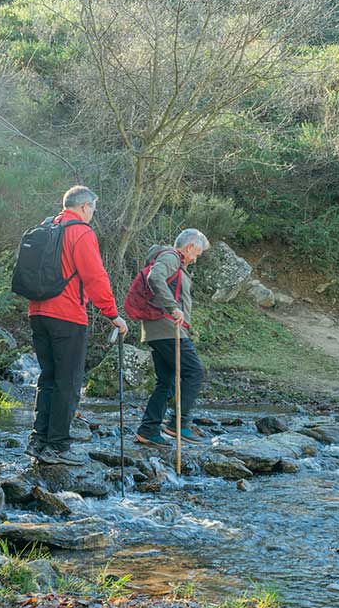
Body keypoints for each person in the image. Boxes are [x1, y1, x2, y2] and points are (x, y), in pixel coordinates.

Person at [27, 186, 128, 465]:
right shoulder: (81, 232)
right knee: (68, 382)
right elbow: (95, 277)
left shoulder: (47, 228)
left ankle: (38, 441)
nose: (93, 214)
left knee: (48, 377)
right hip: (67, 316)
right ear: (84, 207)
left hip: (37, 312)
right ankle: (56, 447)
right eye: (93, 209)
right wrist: (112, 314)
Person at [135, 229, 210, 448]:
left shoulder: (176, 263)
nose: (196, 258)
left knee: (166, 381)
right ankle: (178, 424)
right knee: (195, 371)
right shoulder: (171, 257)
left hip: (160, 329)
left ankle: (148, 430)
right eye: (197, 253)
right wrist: (173, 307)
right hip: (166, 328)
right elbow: (155, 277)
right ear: (190, 247)